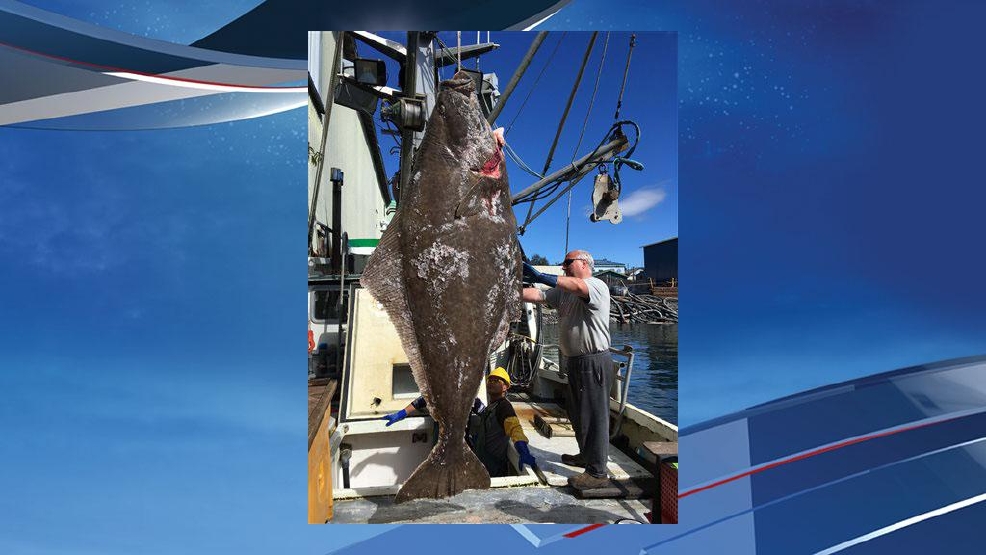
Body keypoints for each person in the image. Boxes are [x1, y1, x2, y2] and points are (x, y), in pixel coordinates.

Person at [521, 250, 613, 490]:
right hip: (574, 362)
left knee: (594, 416)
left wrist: (541, 275)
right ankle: (586, 456)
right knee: (578, 414)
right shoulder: (564, 293)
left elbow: (578, 287)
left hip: (593, 361)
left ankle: (598, 473)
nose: (563, 266)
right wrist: (505, 292)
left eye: (567, 262)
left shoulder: (596, 285)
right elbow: (538, 295)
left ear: (584, 263)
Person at [381, 367, 536, 478]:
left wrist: (522, 449)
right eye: (490, 380)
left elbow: (498, 420)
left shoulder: (473, 399)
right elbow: (420, 401)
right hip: (440, 445)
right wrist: (401, 414)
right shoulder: (438, 393)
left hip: (462, 448)